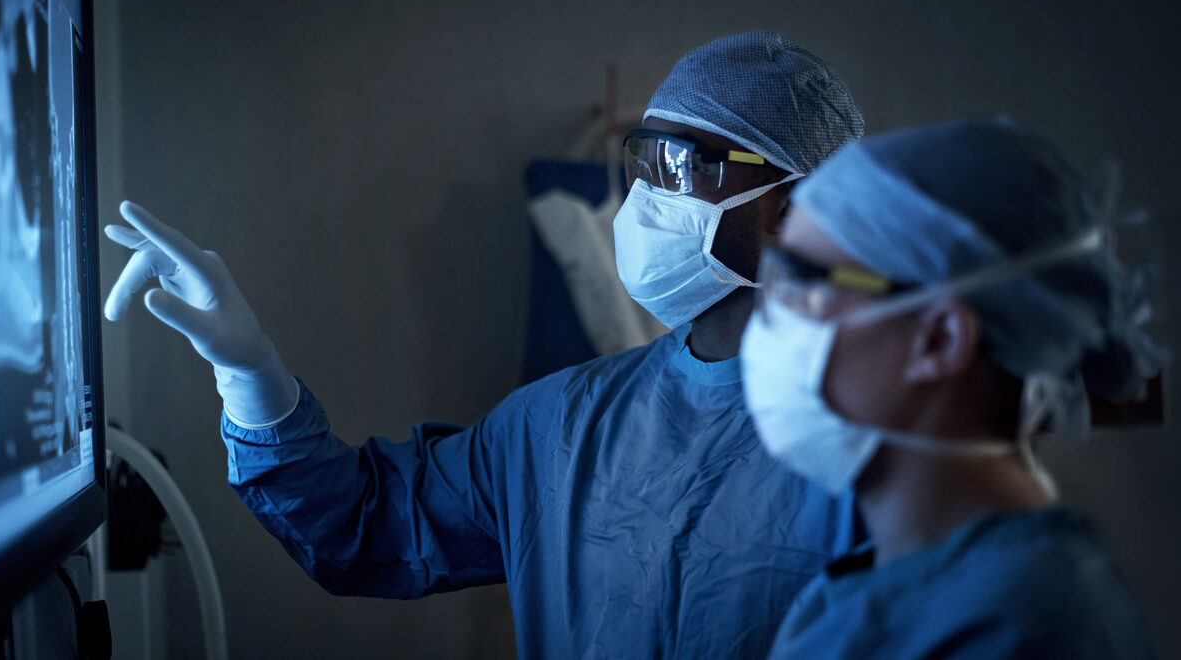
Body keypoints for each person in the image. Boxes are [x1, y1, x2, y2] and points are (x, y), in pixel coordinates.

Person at [103, 32, 867, 658]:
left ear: (791, 209)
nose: (645, 201)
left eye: (680, 169)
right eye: (643, 163)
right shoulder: (565, 424)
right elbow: (364, 527)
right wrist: (253, 378)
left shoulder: (887, 442)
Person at [738, 117, 1167, 658]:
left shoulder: (1022, 625)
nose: (772, 321)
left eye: (802, 284)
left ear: (939, 339)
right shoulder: (886, 585)